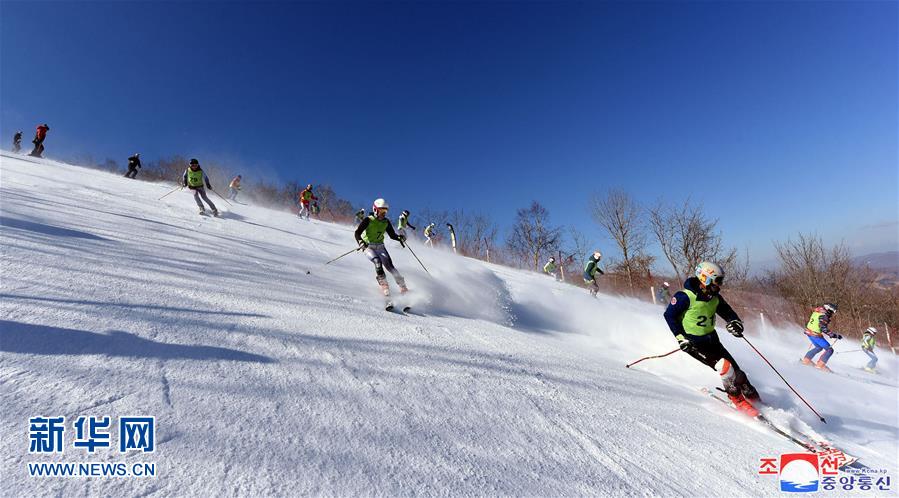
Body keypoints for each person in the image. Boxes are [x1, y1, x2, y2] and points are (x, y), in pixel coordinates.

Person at [664, 261, 759, 415]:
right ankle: (736, 399)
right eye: (718, 281)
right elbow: (669, 316)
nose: (720, 285)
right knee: (725, 367)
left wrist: (734, 322)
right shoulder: (685, 296)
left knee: (738, 373)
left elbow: (727, 312)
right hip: (694, 344)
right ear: (705, 278)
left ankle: (754, 398)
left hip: (712, 340)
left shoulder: (714, 297)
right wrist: (681, 338)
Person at [354, 198, 407, 299]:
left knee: (391, 267)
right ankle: (384, 286)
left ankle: (403, 287)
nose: (383, 213)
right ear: (375, 210)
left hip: (380, 247)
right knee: (377, 262)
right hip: (368, 246)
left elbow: (392, 235)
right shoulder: (368, 220)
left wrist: (399, 238)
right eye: (381, 211)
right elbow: (357, 233)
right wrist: (360, 242)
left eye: (385, 211)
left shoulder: (386, 222)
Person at [800, 303, 842, 372]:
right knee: (829, 350)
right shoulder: (824, 316)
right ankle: (820, 366)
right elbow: (823, 328)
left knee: (818, 347)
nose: (831, 314)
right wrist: (833, 335)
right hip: (815, 335)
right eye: (832, 312)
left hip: (809, 333)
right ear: (828, 310)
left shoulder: (817, 312)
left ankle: (806, 360)